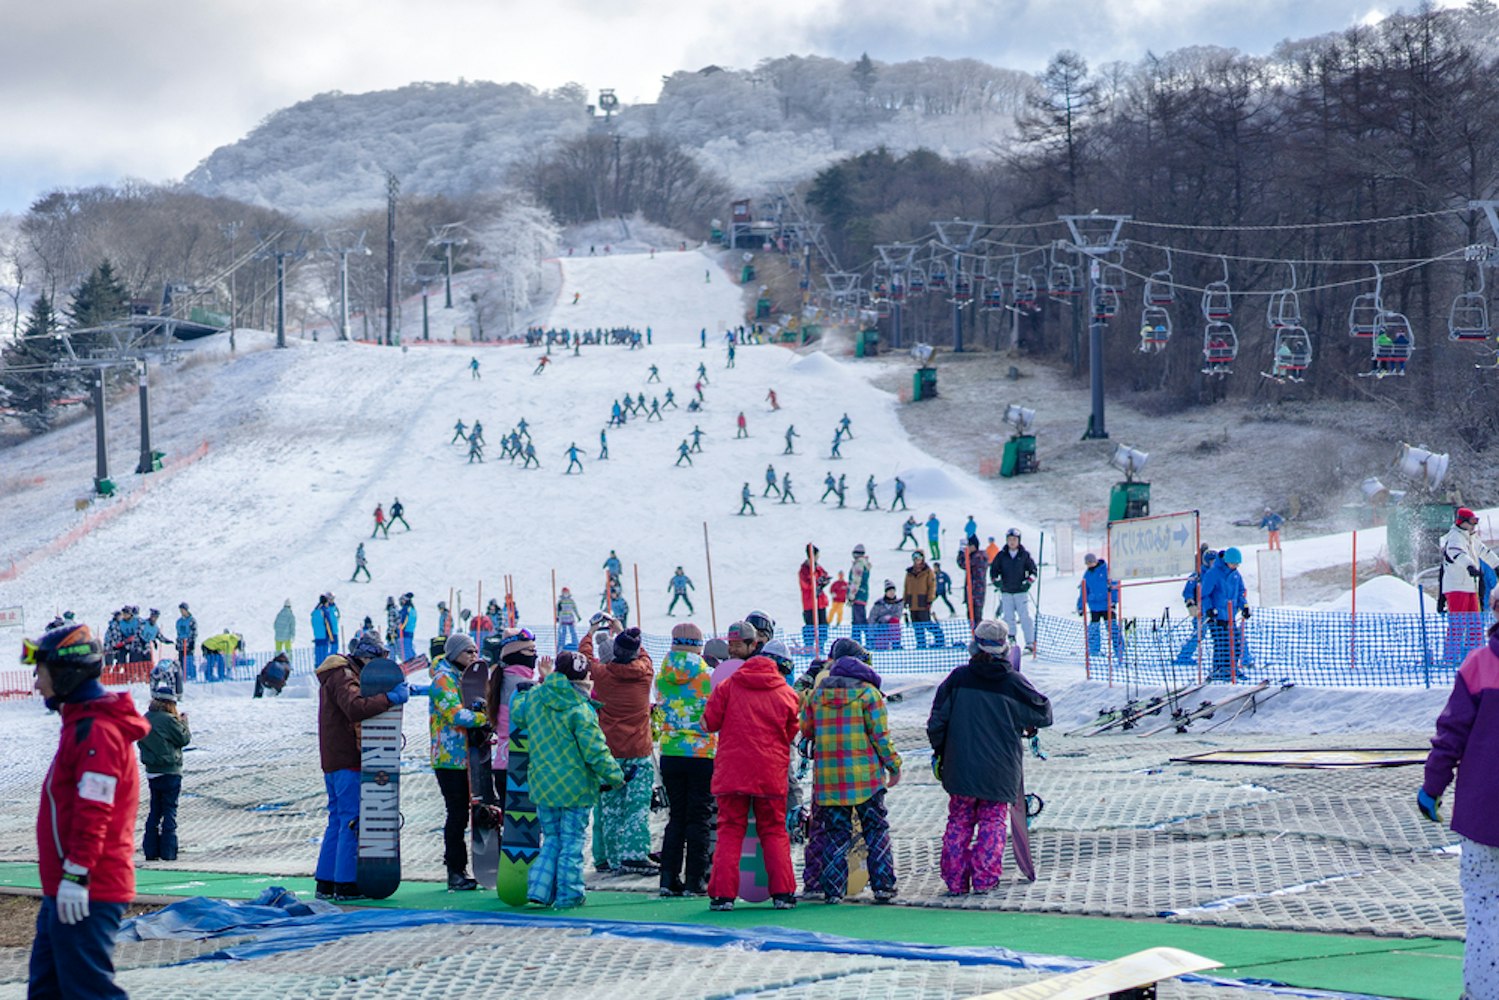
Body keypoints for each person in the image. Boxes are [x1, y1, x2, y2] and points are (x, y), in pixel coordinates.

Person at [25, 623, 150, 1000]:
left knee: (87, 992)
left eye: (40, 672)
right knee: (47, 990)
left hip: (87, 888)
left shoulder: (97, 731)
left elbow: (97, 809)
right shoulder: (79, 725)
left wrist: (78, 874)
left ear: (66, 673)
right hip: (64, 887)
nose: (35, 683)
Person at [927, 620, 1052, 895]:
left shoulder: (957, 679)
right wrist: (1023, 720)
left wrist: (941, 751)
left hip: (960, 768)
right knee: (992, 823)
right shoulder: (1013, 682)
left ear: (974, 646)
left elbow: (936, 722)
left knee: (959, 821)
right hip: (1000, 770)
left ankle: (956, 881)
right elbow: (1043, 713)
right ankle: (985, 880)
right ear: (1005, 648)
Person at [1419, 601, 1499, 1000]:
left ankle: (1483, 993)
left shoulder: (1478, 665)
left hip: (1482, 815)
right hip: (1482, 815)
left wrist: (1432, 787)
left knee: (1485, 910)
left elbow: (1451, 734)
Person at [517, 650, 622, 909]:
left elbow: (518, 714)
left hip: (543, 784)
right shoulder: (580, 709)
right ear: (583, 677)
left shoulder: (535, 698)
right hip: (575, 788)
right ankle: (569, 894)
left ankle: (540, 890)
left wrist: (531, 687)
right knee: (572, 842)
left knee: (552, 838)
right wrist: (615, 775)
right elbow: (595, 751)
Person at [315, 630, 409, 901]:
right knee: (351, 820)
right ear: (367, 656)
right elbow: (355, 707)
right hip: (348, 759)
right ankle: (346, 883)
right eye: (380, 657)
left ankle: (326, 882)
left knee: (338, 819)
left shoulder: (337, 673)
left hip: (335, 759)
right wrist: (389, 699)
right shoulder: (344, 675)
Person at [703, 650, 801, 911]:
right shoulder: (786, 693)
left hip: (732, 772)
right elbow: (792, 731)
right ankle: (783, 893)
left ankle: (723, 896)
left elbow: (709, 723)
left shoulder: (728, 686)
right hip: (770, 772)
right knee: (774, 830)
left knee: (729, 831)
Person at [801, 654, 901, 903]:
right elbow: (881, 737)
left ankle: (833, 890)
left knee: (835, 833)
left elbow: (806, 730)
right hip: (865, 779)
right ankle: (883, 886)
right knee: (876, 830)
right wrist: (894, 766)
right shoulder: (869, 695)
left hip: (829, 780)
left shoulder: (816, 696)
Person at [580, 625, 657, 875]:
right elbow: (644, 654)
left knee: (609, 806)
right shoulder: (645, 673)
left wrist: (590, 633)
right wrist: (623, 630)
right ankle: (634, 854)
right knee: (637, 806)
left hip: (610, 751)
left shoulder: (602, 674)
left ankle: (610, 857)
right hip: (639, 750)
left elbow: (585, 657)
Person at [655, 623, 715, 896]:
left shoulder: (663, 674)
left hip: (670, 751)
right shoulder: (708, 675)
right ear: (698, 646)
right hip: (702, 752)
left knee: (676, 816)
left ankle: (668, 878)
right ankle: (695, 879)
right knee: (699, 816)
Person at [430, 633, 489, 890]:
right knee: (457, 814)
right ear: (455, 654)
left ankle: (467, 867)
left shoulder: (463, 678)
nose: (473, 657)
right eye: (468, 653)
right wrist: (482, 719)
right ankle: (455, 870)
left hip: (468, 756)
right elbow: (454, 714)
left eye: (476, 652)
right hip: (449, 758)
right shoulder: (442, 679)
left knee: (471, 811)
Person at [140, 682, 191, 862]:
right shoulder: (169, 719)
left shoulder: (145, 718)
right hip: (170, 770)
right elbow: (184, 739)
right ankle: (168, 852)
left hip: (152, 771)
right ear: (170, 704)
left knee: (155, 810)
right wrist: (184, 722)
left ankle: (151, 851)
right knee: (169, 810)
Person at [1441, 508, 1499, 664]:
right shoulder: (1454, 538)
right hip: (1456, 587)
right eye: (1471, 522)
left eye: (1476, 522)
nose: (1474, 526)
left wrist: (1496, 565)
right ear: (1462, 522)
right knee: (1459, 624)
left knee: (1475, 623)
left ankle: (1474, 657)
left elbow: (1484, 551)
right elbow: (1458, 554)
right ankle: (1451, 658)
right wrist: (1470, 566)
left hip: (1470, 587)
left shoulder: (1472, 538)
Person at [1200, 548, 1251, 680]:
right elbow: (1205, 594)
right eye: (1233, 564)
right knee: (1222, 643)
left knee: (1235, 642)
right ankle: (1221, 670)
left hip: (1230, 615)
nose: (1235, 566)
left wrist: (1244, 606)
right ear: (1226, 561)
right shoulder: (1213, 573)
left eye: (1237, 564)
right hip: (1217, 616)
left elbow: (1240, 592)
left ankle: (1232, 669)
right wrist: (1209, 610)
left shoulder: (1235, 575)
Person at [991, 528, 1039, 654]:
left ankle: (1030, 642)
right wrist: (996, 581)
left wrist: (1028, 582)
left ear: (1018, 541)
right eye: (1010, 540)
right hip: (1006, 591)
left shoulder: (1024, 555)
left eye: (1014, 540)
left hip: (1020, 591)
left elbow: (1033, 571)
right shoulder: (1001, 555)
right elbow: (994, 570)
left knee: (1025, 617)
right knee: (1008, 617)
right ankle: (1011, 639)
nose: (1012, 542)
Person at [1175, 546, 1216, 666]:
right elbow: (1187, 591)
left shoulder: (1217, 574)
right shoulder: (1198, 575)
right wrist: (1190, 604)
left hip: (1216, 610)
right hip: (1201, 610)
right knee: (1200, 633)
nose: (1213, 564)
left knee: (1224, 633)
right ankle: (1184, 655)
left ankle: (1244, 658)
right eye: (1211, 561)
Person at [905, 551, 942, 649]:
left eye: (918, 558)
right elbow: (906, 587)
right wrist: (905, 600)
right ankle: (921, 644)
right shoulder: (909, 573)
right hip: (912, 602)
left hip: (923, 601)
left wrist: (929, 600)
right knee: (916, 626)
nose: (916, 560)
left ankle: (939, 637)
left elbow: (932, 586)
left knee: (926, 623)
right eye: (915, 558)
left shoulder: (928, 572)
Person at [798, 545, 831, 650]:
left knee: (823, 625)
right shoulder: (804, 570)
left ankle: (820, 646)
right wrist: (816, 583)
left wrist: (823, 581)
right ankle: (809, 646)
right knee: (810, 626)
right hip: (810, 603)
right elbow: (806, 584)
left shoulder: (818, 567)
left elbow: (824, 575)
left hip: (820, 601)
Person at [956, 535, 989, 624]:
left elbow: (963, 564)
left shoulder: (978, 557)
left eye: (968, 546)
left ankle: (978, 636)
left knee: (975, 617)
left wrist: (961, 552)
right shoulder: (975, 556)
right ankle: (974, 635)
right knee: (971, 617)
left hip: (976, 592)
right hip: (972, 592)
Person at [869, 581, 906, 651]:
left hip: (892, 628)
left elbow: (897, 615)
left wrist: (888, 618)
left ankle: (896, 644)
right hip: (880, 628)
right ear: (886, 592)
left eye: (893, 591)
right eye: (889, 591)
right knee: (881, 649)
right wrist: (871, 635)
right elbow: (872, 618)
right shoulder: (878, 604)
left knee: (894, 621)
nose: (892, 593)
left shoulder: (899, 603)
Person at [849, 544, 872, 647]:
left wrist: (851, 595)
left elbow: (856, 581)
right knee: (860, 618)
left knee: (858, 620)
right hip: (863, 595)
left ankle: (860, 642)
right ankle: (864, 640)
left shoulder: (859, 564)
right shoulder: (864, 564)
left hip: (858, 595)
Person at [312, 593, 340, 663]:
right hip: (328, 632)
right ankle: (329, 663)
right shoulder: (324, 610)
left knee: (331, 649)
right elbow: (327, 622)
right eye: (331, 599)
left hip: (331, 631)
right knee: (323, 652)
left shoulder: (332, 608)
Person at [174, 603, 197, 684]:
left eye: (183, 610)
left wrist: (192, 642)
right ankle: (183, 676)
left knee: (189, 660)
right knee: (181, 661)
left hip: (188, 644)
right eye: (180, 610)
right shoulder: (179, 622)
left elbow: (194, 632)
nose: (181, 611)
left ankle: (191, 676)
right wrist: (177, 643)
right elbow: (178, 633)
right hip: (181, 645)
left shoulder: (191, 620)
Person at [398, 592, 418, 661]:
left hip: (405, 631)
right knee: (409, 646)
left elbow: (404, 619)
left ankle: (410, 661)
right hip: (410, 630)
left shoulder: (406, 608)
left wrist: (400, 628)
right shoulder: (413, 609)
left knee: (405, 648)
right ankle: (414, 659)